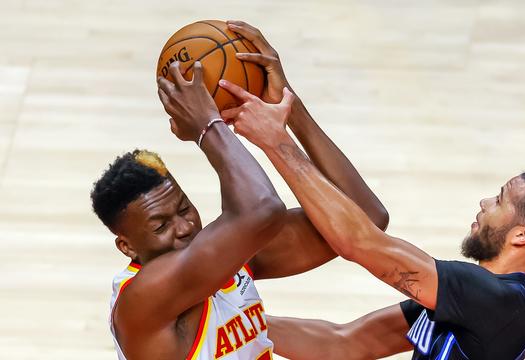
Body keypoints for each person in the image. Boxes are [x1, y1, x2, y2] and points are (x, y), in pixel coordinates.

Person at [219, 57, 525, 359]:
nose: (485, 203)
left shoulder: (497, 302)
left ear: (522, 235)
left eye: (500, 200)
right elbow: (345, 341)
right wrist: (232, 324)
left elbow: (359, 242)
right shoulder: (472, 301)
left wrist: (276, 143)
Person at [90, 21, 388, 360]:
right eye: (160, 226)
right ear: (126, 247)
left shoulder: (227, 256)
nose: (185, 227)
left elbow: (364, 219)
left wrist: (289, 107)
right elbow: (262, 208)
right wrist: (207, 127)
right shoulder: (143, 300)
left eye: (184, 209)